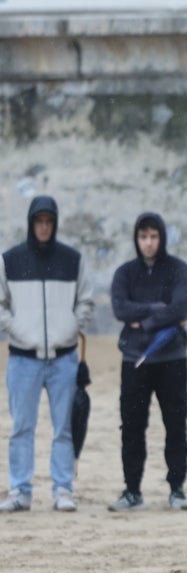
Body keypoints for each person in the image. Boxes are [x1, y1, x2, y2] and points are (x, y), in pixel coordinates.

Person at [0, 196, 94, 513]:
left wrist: (70, 327)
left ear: (55, 224)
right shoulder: (10, 260)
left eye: (49, 221)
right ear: (31, 223)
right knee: (22, 428)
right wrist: (17, 330)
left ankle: (63, 488)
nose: (43, 226)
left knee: (63, 427)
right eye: (39, 221)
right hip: (22, 358)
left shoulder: (72, 260)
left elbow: (86, 301)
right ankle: (20, 490)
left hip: (63, 358)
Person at [107, 212, 187, 512]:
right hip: (134, 360)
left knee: (175, 424)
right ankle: (132, 490)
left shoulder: (179, 270)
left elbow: (182, 306)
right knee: (131, 426)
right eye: (143, 236)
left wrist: (143, 320)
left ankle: (177, 488)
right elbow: (120, 309)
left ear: (162, 238)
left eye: (153, 236)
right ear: (136, 239)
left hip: (172, 359)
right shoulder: (124, 273)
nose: (148, 243)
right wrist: (160, 310)